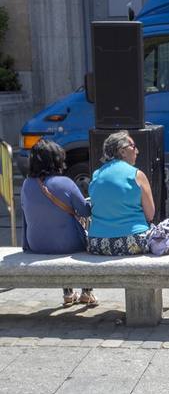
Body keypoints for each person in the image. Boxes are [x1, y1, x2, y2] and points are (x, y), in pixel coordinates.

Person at [21, 139, 97, 307]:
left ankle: (68, 293)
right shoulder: (66, 183)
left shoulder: (27, 184)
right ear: (57, 160)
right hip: (67, 244)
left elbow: (26, 217)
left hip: (36, 244)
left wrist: (26, 245)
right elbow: (85, 211)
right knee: (82, 238)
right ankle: (87, 291)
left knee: (58, 228)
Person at [88, 131, 155, 255]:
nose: (137, 151)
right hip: (132, 241)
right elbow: (150, 215)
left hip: (97, 243)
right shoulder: (137, 175)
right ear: (122, 151)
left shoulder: (96, 175)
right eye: (133, 146)